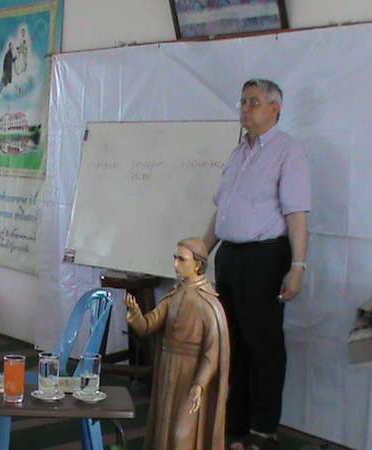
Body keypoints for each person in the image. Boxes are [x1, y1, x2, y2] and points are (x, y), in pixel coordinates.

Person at [202, 79, 310, 450]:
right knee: (234, 341)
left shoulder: (287, 151)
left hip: (264, 257)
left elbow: (297, 214)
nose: (245, 109)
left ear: (275, 109)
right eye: (243, 102)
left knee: (263, 344)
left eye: (254, 102)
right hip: (230, 256)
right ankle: (237, 422)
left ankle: (263, 431)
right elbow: (222, 210)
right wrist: (202, 250)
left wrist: (298, 266)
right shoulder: (239, 152)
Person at [125, 238, 230, 450]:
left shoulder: (209, 305)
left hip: (190, 375)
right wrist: (136, 317)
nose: (175, 264)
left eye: (181, 259)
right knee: (164, 425)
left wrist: (199, 384)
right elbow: (148, 325)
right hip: (168, 370)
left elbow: (212, 354)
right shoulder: (173, 296)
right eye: (175, 258)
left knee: (182, 434)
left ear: (197, 264)